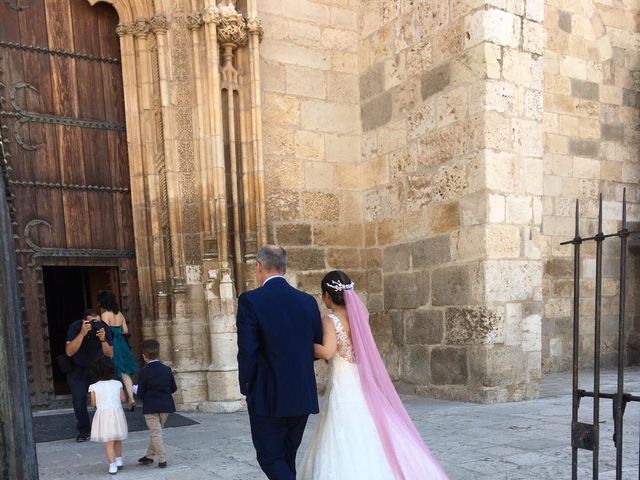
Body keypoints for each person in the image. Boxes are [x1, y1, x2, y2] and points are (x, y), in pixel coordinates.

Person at [300, 271, 448, 480]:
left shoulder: (330, 320)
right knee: (368, 426)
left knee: (343, 429)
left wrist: (301, 341)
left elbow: (327, 351)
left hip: (343, 384)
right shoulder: (358, 317)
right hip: (359, 380)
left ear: (326, 296)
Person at [236, 245, 323, 480]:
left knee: (270, 458)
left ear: (259, 267)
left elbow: (247, 350)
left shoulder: (250, 301)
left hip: (267, 394)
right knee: (286, 456)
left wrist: (247, 386)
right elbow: (316, 346)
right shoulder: (307, 301)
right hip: (302, 392)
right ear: (284, 267)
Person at [65, 308, 113, 442]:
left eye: (97, 321)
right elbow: (69, 352)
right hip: (78, 368)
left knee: (102, 400)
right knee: (79, 400)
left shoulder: (104, 328)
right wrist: (82, 334)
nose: (95, 324)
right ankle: (84, 430)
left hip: (98, 367)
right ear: (84, 321)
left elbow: (110, 354)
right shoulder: (76, 327)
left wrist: (103, 340)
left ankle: (104, 428)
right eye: (91, 322)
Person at [135, 339, 177, 469]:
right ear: (159, 353)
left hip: (151, 406)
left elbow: (141, 392)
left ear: (144, 356)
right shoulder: (166, 369)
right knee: (156, 432)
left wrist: (135, 390)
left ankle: (162, 459)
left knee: (155, 432)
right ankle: (149, 456)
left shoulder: (144, 371)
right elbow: (173, 388)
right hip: (165, 405)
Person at [97, 290, 138, 410]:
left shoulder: (105, 315)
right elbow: (125, 330)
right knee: (124, 372)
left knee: (112, 370)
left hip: (112, 343)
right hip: (122, 343)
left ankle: (115, 399)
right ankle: (131, 398)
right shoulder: (120, 314)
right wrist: (117, 331)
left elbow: (105, 331)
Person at [88, 357, 128, 475]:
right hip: (117, 414)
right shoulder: (117, 383)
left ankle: (112, 465)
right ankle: (119, 460)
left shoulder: (94, 386)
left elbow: (93, 403)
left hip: (104, 416)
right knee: (118, 438)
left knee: (109, 442)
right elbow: (123, 399)